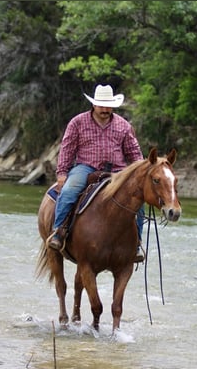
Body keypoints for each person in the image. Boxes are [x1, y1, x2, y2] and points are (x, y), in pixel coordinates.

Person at [46, 84, 146, 262]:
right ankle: (59, 231)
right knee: (69, 190)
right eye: (101, 105)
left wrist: (140, 175)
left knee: (137, 200)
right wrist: (62, 173)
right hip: (86, 167)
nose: (105, 109)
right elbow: (67, 149)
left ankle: (136, 243)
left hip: (117, 170)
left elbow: (135, 154)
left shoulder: (124, 126)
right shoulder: (78, 122)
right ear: (94, 104)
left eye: (108, 105)